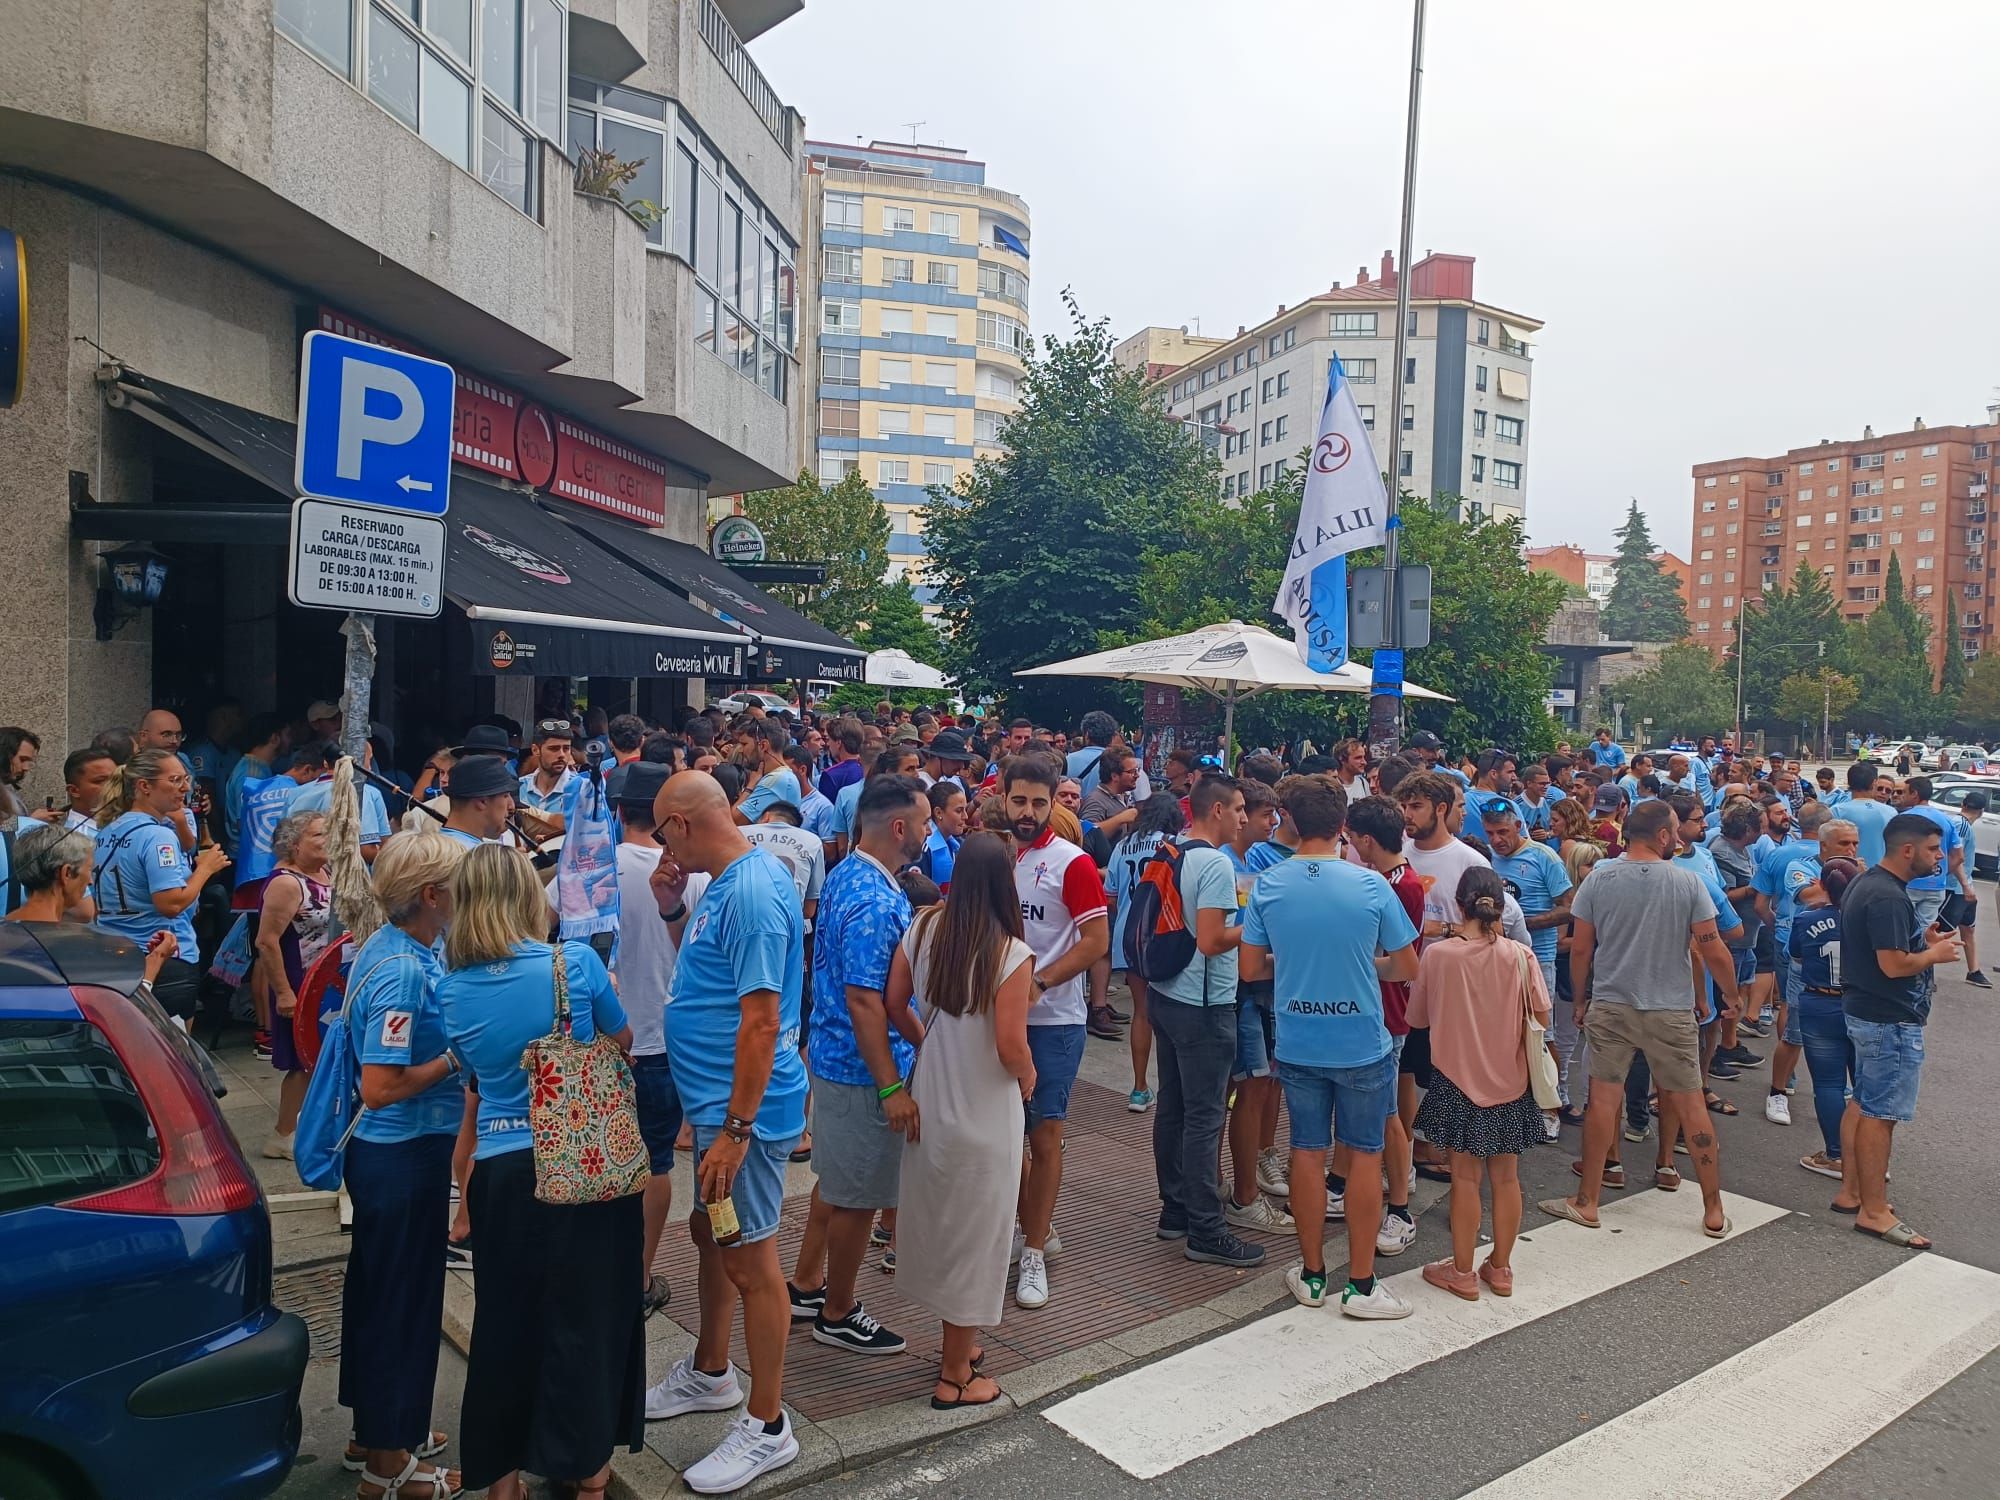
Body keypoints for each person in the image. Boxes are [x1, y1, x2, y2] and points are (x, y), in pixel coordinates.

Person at [436, 844, 642, 1500]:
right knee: (587, 1320)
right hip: (579, 1162)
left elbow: (473, 1076)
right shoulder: (573, 964)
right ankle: (586, 1473)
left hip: (498, 1172)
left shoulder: (450, 987)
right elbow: (622, 1039)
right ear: (528, 896)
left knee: (505, 1324)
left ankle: (502, 1479)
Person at [644, 772, 808, 1493]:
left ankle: (769, 1425)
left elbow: (763, 1020)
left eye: (658, 829)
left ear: (680, 823)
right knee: (714, 1234)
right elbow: (710, 983)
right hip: (717, 1109)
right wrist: (673, 909)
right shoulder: (725, 886)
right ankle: (711, 1370)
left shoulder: (749, 893)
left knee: (749, 1258)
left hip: (744, 1116)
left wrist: (737, 1129)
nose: (658, 843)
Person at [1242, 773, 1420, 1316]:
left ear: (1291, 822)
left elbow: (1251, 968)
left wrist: (1289, 962)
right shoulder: (1371, 885)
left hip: (1298, 1038)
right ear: (1343, 824)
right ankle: (1361, 1286)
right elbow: (1406, 965)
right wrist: (1367, 963)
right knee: (1366, 1156)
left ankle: (1314, 1274)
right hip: (1362, 1037)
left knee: (1306, 1152)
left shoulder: (1268, 884)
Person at [1542, 799, 1742, 1239]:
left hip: (1612, 1003)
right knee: (1691, 1104)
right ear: (1665, 835)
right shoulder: (1688, 883)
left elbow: (1581, 947)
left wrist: (1580, 998)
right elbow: (1712, 948)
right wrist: (1730, 996)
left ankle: (1588, 1199)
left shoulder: (1599, 878)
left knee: (1603, 1101)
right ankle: (1712, 1208)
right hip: (1670, 1008)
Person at [884, 834, 1036, 1410]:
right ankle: (954, 1374)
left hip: (931, 1101)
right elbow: (1009, 1045)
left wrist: (928, 1041)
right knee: (981, 1239)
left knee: (945, 1229)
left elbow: (894, 1000)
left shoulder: (924, 928)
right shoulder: (1010, 954)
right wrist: (1028, 1075)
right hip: (984, 1111)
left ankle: (960, 1345)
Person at [338, 832, 468, 1500]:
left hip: (395, 1153)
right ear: (430, 895)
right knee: (401, 1302)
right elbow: (380, 1085)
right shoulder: (404, 971)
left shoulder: (390, 949)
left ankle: (381, 1430)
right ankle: (389, 1469)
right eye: (456, 883)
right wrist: (457, 1058)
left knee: (381, 1291)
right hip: (402, 1151)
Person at [788, 775, 927, 1358]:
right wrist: (892, 1085)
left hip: (839, 1060)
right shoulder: (873, 896)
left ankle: (805, 1284)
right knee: (857, 1196)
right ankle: (838, 1309)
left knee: (839, 1183)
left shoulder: (850, 873)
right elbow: (867, 1000)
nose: (927, 832)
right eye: (922, 822)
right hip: (862, 1070)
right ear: (899, 828)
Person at [1410, 866, 1550, 1303]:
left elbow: (1418, 1018)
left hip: (1455, 1080)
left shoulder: (1439, 955)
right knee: (1507, 1178)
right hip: (1510, 1079)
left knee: (1465, 1179)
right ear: (1502, 907)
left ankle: (1463, 1270)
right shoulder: (1520, 956)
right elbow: (1542, 1017)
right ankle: (1502, 1267)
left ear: (1459, 905)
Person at [1006, 753, 1110, 1311]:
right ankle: (1027, 1226)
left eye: (1038, 803)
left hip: (1054, 1022)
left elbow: (1096, 942)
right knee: (1004, 1134)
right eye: (1019, 800)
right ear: (1004, 797)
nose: (1028, 812)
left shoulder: (1073, 863)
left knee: (1044, 1134)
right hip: (998, 1020)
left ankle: (1035, 1251)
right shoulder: (997, 855)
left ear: (1053, 803)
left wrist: (1040, 983)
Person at [1147, 773, 1263, 1267]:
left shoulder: (1169, 851)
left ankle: (1175, 1208)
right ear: (1215, 811)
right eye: (1238, 809)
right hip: (1204, 1002)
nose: (1243, 818)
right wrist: (1254, 925)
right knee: (1205, 1115)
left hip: (1164, 991)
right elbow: (1212, 940)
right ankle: (1206, 1229)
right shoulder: (1214, 863)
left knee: (1173, 1105)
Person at [609, 762, 708, 1317]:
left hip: (603, 1039)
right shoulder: (690, 870)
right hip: (666, 1042)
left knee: (603, 1158)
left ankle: (605, 1265)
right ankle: (639, 1276)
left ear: (618, 810)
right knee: (656, 1163)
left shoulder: (592, 868)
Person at [1839, 813, 1961, 1252]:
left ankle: (1852, 1191)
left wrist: (1920, 940)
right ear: (1907, 850)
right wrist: (1935, 954)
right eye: (1933, 849)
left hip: (1866, 1011)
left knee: (1864, 1102)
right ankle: (1874, 1210)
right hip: (1888, 1019)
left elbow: (1881, 948)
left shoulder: (1869, 881)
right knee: (1881, 1113)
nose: (1940, 858)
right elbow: (1892, 965)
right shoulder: (1887, 896)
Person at [1340, 794, 1427, 1256]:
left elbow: (1397, 955)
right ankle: (1361, 1186)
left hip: (1390, 1008)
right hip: (1377, 1003)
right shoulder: (1386, 879)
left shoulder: (1403, 885)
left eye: (1353, 839)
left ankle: (1399, 1207)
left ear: (1367, 840)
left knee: (1389, 1112)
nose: (1351, 847)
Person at [92, 749, 232, 1022]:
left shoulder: (108, 830)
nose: (186, 787)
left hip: (116, 953)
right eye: (175, 780)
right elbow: (170, 904)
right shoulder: (158, 836)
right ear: (144, 786)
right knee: (172, 1056)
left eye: (186, 779)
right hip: (164, 954)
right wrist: (205, 869)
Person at [1482, 802, 1572, 1142]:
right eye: (1490, 833)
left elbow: (1569, 907)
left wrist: (1523, 924)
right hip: (1498, 959)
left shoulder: (1544, 857)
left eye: (1503, 832)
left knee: (1542, 1034)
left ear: (1518, 825)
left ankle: (1554, 1104)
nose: (1497, 840)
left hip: (1540, 957)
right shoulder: (1487, 859)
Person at [251, 809, 334, 1160]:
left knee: (323, 1058)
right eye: (318, 834)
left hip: (328, 981)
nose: (327, 839)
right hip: (299, 981)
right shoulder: (287, 883)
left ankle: (312, 1126)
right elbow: (266, 942)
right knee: (302, 1062)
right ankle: (283, 1134)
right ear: (294, 843)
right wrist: (284, 992)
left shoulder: (325, 872)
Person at [1106, 793, 1185, 1114]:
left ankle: (1139, 1089)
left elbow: (1110, 896)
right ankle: (1174, 1088)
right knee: (1174, 1012)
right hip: (1165, 936)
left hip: (1130, 937)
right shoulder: (1174, 844)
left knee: (1142, 1012)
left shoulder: (1122, 847)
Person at [1790, 855, 1859, 1188]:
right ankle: (1867, 1153)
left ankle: (1836, 1153)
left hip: (1819, 1001)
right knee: (1865, 1084)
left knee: (1829, 1084)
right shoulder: (1867, 919)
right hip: (1860, 1004)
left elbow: (1798, 955)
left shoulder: (1807, 918)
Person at [1948, 788, 1989, 987]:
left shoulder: (1960, 823)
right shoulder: (1962, 825)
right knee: (1942, 931)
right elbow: (1957, 858)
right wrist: (1965, 885)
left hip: (1963, 887)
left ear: (1963, 804)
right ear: (1981, 811)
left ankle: (1974, 970)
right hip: (1955, 888)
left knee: (1968, 929)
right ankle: (1923, 971)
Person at [514, 718, 576, 837]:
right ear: (535, 750)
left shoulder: (583, 789)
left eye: (566, 748)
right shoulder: (518, 787)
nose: (562, 755)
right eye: (554, 749)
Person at [737, 719, 801, 825]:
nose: (740, 750)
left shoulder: (776, 780)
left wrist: (750, 786)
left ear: (763, 745)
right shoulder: (781, 776)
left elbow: (736, 820)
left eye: (744, 744)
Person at [1840, 761, 1898, 866]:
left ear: (1849, 783)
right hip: (1882, 873)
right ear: (1874, 783)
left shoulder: (1837, 811)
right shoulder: (1891, 812)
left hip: (1848, 872)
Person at [58, 747, 118, 836]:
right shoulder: (78, 839)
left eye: (116, 779)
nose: (113, 786)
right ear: (74, 790)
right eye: (101, 781)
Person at [0, 727, 48, 824]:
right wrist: (31, 821)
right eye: (22, 759)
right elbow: (3, 829)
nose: (26, 768)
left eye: (29, 761)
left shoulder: (7, 789)